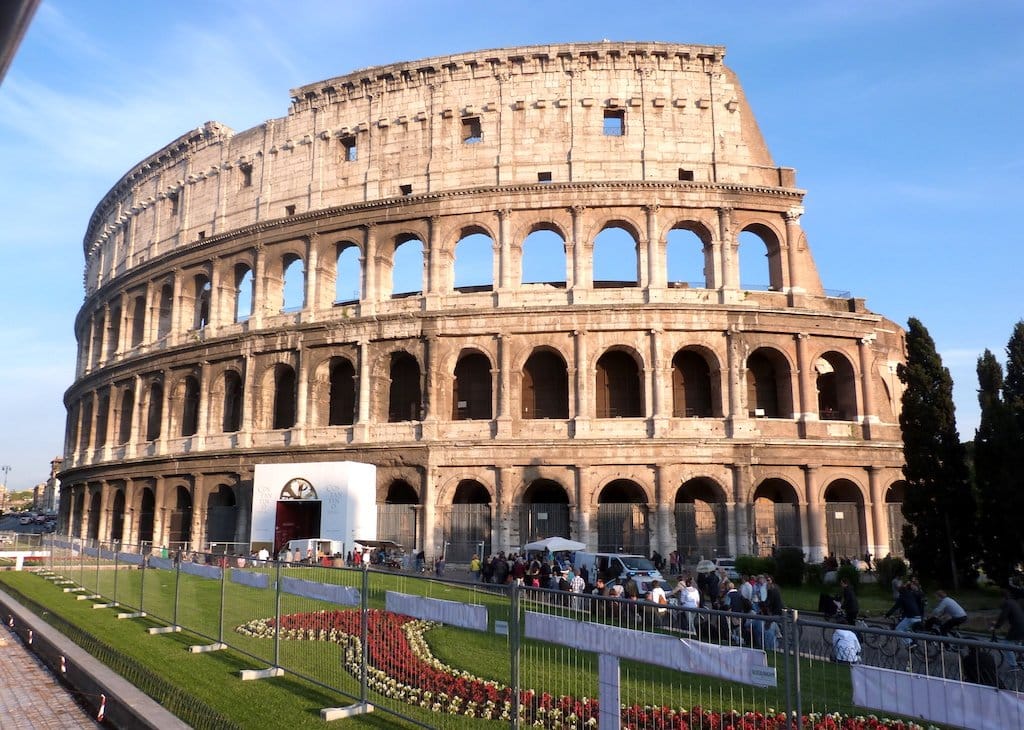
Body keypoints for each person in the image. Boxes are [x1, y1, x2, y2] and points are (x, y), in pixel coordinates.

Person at [991, 588, 1024, 669]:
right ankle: (1020, 659)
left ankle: (1013, 665)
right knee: (1017, 643)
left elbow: (1003, 616)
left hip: (1018, 627)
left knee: (1006, 645)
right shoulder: (1013, 602)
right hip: (1021, 626)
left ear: (1002, 597)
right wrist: (997, 623)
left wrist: (996, 626)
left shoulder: (1007, 603)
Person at [886, 582, 924, 648]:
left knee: (898, 629)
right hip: (918, 616)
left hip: (911, 617)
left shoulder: (902, 598)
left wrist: (887, 615)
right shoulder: (911, 594)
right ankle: (913, 641)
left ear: (900, 592)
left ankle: (910, 643)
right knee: (906, 629)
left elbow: (895, 607)